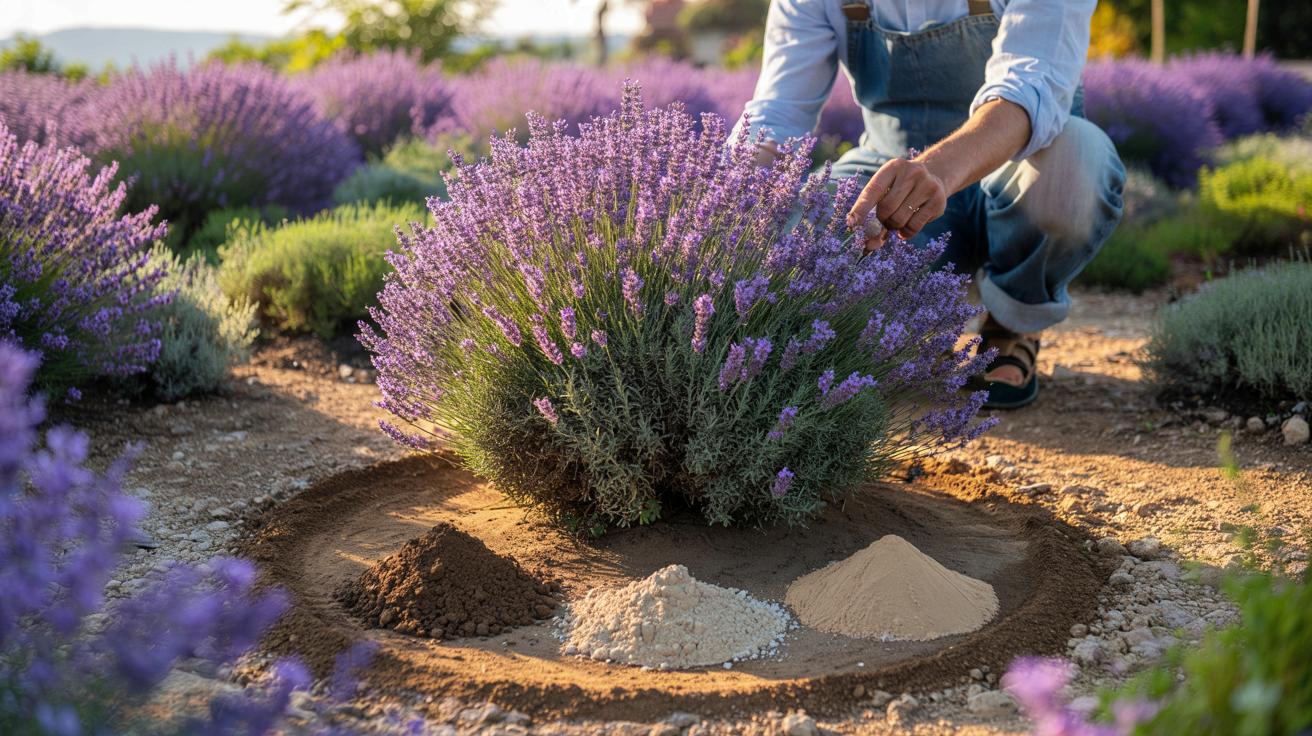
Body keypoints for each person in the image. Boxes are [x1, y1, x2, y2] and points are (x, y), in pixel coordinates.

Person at [737, 0, 1125, 409]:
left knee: (1078, 163)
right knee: (808, 236)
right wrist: (721, 208)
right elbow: (777, 116)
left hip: (1023, 164)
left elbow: (1028, 90)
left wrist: (934, 171)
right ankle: (906, 333)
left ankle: (1012, 321)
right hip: (889, 166)